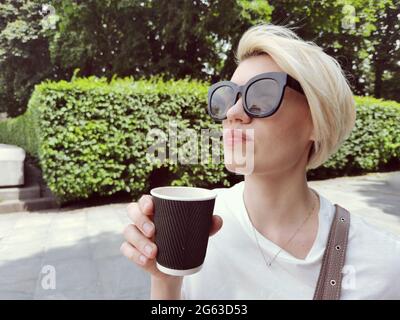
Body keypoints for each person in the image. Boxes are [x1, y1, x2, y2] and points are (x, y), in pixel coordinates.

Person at [120, 24, 400, 299]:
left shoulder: (382, 264)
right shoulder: (197, 226)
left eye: (261, 95)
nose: (232, 112)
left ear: (318, 122)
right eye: (227, 96)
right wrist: (166, 280)